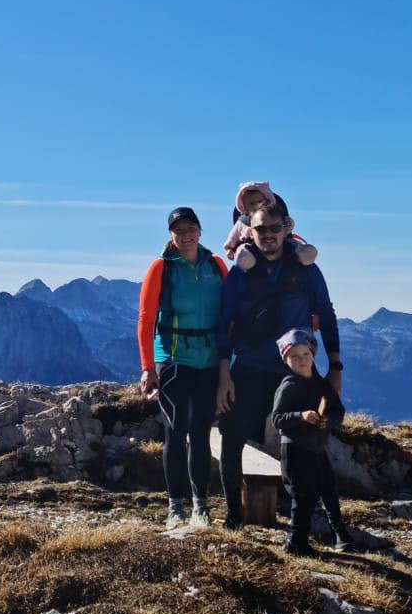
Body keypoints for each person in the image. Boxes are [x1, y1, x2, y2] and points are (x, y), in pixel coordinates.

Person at [214, 203, 342, 528]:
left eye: (274, 229)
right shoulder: (241, 273)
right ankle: (233, 515)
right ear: (249, 231)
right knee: (232, 437)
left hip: (296, 370)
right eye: (261, 230)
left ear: (286, 228)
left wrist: (336, 366)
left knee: (313, 443)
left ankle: (326, 520)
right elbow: (223, 321)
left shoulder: (306, 269)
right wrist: (224, 373)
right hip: (250, 368)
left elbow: (326, 315)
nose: (268, 236)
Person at [137, 207, 227, 530]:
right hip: (173, 361)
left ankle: (200, 507)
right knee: (175, 433)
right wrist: (148, 367)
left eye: (191, 228)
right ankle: (176, 507)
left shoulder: (216, 265)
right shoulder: (161, 268)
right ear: (170, 235)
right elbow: (146, 320)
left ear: (200, 231)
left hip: (207, 360)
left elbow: (230, 312)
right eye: (179, 230)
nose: (186, 235)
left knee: (201, 433)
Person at [271, 329, 350, 555]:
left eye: (305, 354)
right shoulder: (288, 386)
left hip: (317, 448)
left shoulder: (322, 385)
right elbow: (277, 419)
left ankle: (340, 534)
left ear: (313, 355)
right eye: (294, 357)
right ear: (286, 361)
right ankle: (296, 542)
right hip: (294, 450)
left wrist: (328, 420)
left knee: (328, 489)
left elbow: (338, 412)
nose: (301, 360)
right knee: (303, 496)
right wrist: (300, 416)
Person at [220, 181, 318, 272]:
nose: (268, 233)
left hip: (284, 245)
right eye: (260, 229)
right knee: (243, 249)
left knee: (292, 244)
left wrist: (288, 225)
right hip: (250, 246)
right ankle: (245, 260)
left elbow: (288, 224)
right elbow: (233, 236)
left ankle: (304, 254)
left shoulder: (277, 215)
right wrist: (230, 249)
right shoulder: (242, 222)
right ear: (244, 205)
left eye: (260, 201)